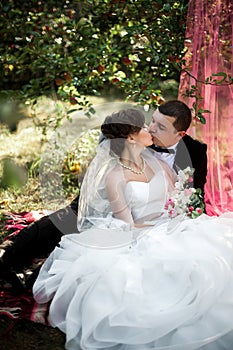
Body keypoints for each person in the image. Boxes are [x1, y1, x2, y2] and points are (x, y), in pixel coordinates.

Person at [33, 108, 233, 350]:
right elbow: (128, 225)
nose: (150, 129)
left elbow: (175, 202)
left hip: (173, 226)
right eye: (146, 127)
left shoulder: (161, 164)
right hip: (139, 233)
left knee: (213, 257)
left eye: (158, 126)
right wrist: (159, 228)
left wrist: (178, 217)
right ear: (130, 138)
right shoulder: (115, 177)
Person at [0, 100, 207, 293]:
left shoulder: (195, 152)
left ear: (179, 135)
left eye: (161, 127)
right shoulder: (134, 135)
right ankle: (8, 256)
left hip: (151, 221)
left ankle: (34, 274)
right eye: (152, 121)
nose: (152, 128)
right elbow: (108, 156)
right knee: (62, 225)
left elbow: (194, 196)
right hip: (111, 200)